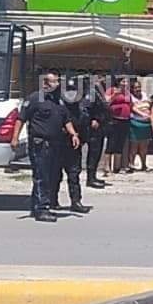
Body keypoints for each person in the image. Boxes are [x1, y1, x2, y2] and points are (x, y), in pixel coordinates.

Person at [12, 72, 81, 223]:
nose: (58, 84)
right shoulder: (35, 98)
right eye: (55, 81)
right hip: (40, 144)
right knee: (42, 176)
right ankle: (42, 209)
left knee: (48, 176)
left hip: (55, 144)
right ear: (45, 84)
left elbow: (66, 119)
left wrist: (74, 134)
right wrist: (15, 138)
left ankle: (35, 205)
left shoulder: (59, 101)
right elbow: (20, 119)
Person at [54, 77, 94, 213]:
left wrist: (82, 141)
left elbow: (85, 128)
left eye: (74, 91)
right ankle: (53, 200)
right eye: (69, 91)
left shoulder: (81, 109)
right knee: (55, 175)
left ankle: (76, 201)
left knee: (73, 175)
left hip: (74, 147)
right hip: (58, 145)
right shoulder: (57, 108)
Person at [84, 77, 111, 189]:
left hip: (101, 126)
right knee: (94, 152)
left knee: (98, 151)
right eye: (100, 78)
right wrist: (92, 119)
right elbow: (86, 108)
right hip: (94, 128)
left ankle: (93, 176)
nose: (103, 80)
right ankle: (90, 178)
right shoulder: (91, 92)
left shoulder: (99, 92)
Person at [106, 78, 133, 174]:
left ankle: (116, 167)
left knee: (120, 143)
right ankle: (107, 167)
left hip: (125, 120)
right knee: (111, 142)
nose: (125, 83)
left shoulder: (127, 92)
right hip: (114, 119)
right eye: (123, 81)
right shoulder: (112, 90)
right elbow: (106, 102)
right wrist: (115, 95)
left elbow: (130, 104)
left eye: (127, 82)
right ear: (118, 82)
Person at [128, 79, 153, 172]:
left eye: (139, 87)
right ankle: (132, 164)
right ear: (132, 89)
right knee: (134, 145)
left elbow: (149, 105)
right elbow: (132, 108)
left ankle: (144, 165)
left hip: (146, 123)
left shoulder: (145, 95)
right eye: (135, 88)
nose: (137, 89)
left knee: (144, 146)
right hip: (136, 123)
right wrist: (142, 114)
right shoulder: (130, 97)